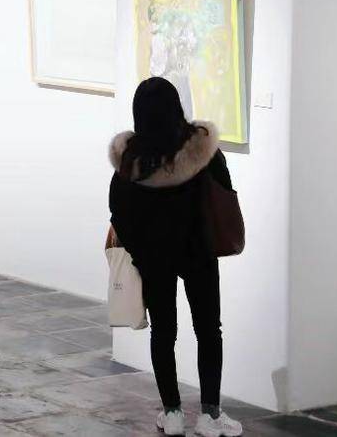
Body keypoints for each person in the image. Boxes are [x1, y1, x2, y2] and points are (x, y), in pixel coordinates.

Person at [108, 77, 243, 437]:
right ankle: (210, 415)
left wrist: (140, 251)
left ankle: (172, 414)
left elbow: (119, 212)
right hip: (199, 254)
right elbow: (225, 194)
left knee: (164, 332)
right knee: (208, 331)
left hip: (154, 260)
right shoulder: (203, 152)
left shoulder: (131, 161)